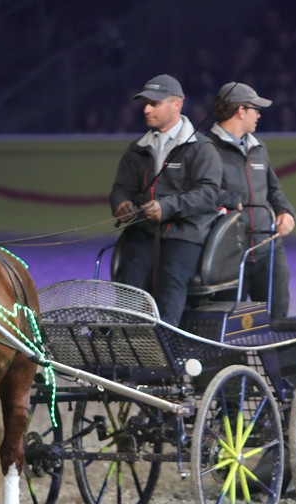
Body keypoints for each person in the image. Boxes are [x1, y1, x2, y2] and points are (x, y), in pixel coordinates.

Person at [110, 74, 223, 326]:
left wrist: (167, 207)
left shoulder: (201, 148)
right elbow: (121, 187)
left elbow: (208, 193)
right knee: (127, 288)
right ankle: (125, 343)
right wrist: (120, 203)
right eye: (146, 103)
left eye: (154, 103)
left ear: (177, 104)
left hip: (184, 233)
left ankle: (166, 347)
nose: (147, 109)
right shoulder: (137, 148)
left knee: (169, 286)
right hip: (142, 232)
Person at [206, 81, 296, 319]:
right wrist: (226, 199)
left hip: (268, 247)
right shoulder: (206, 149)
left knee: (277, 319)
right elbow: (200, 193)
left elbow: (274, 189)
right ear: (240, 111)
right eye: (255, 108)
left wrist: (286, 212)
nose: (259, 114)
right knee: (227, 325)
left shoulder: (258, 147)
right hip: (229, 254)